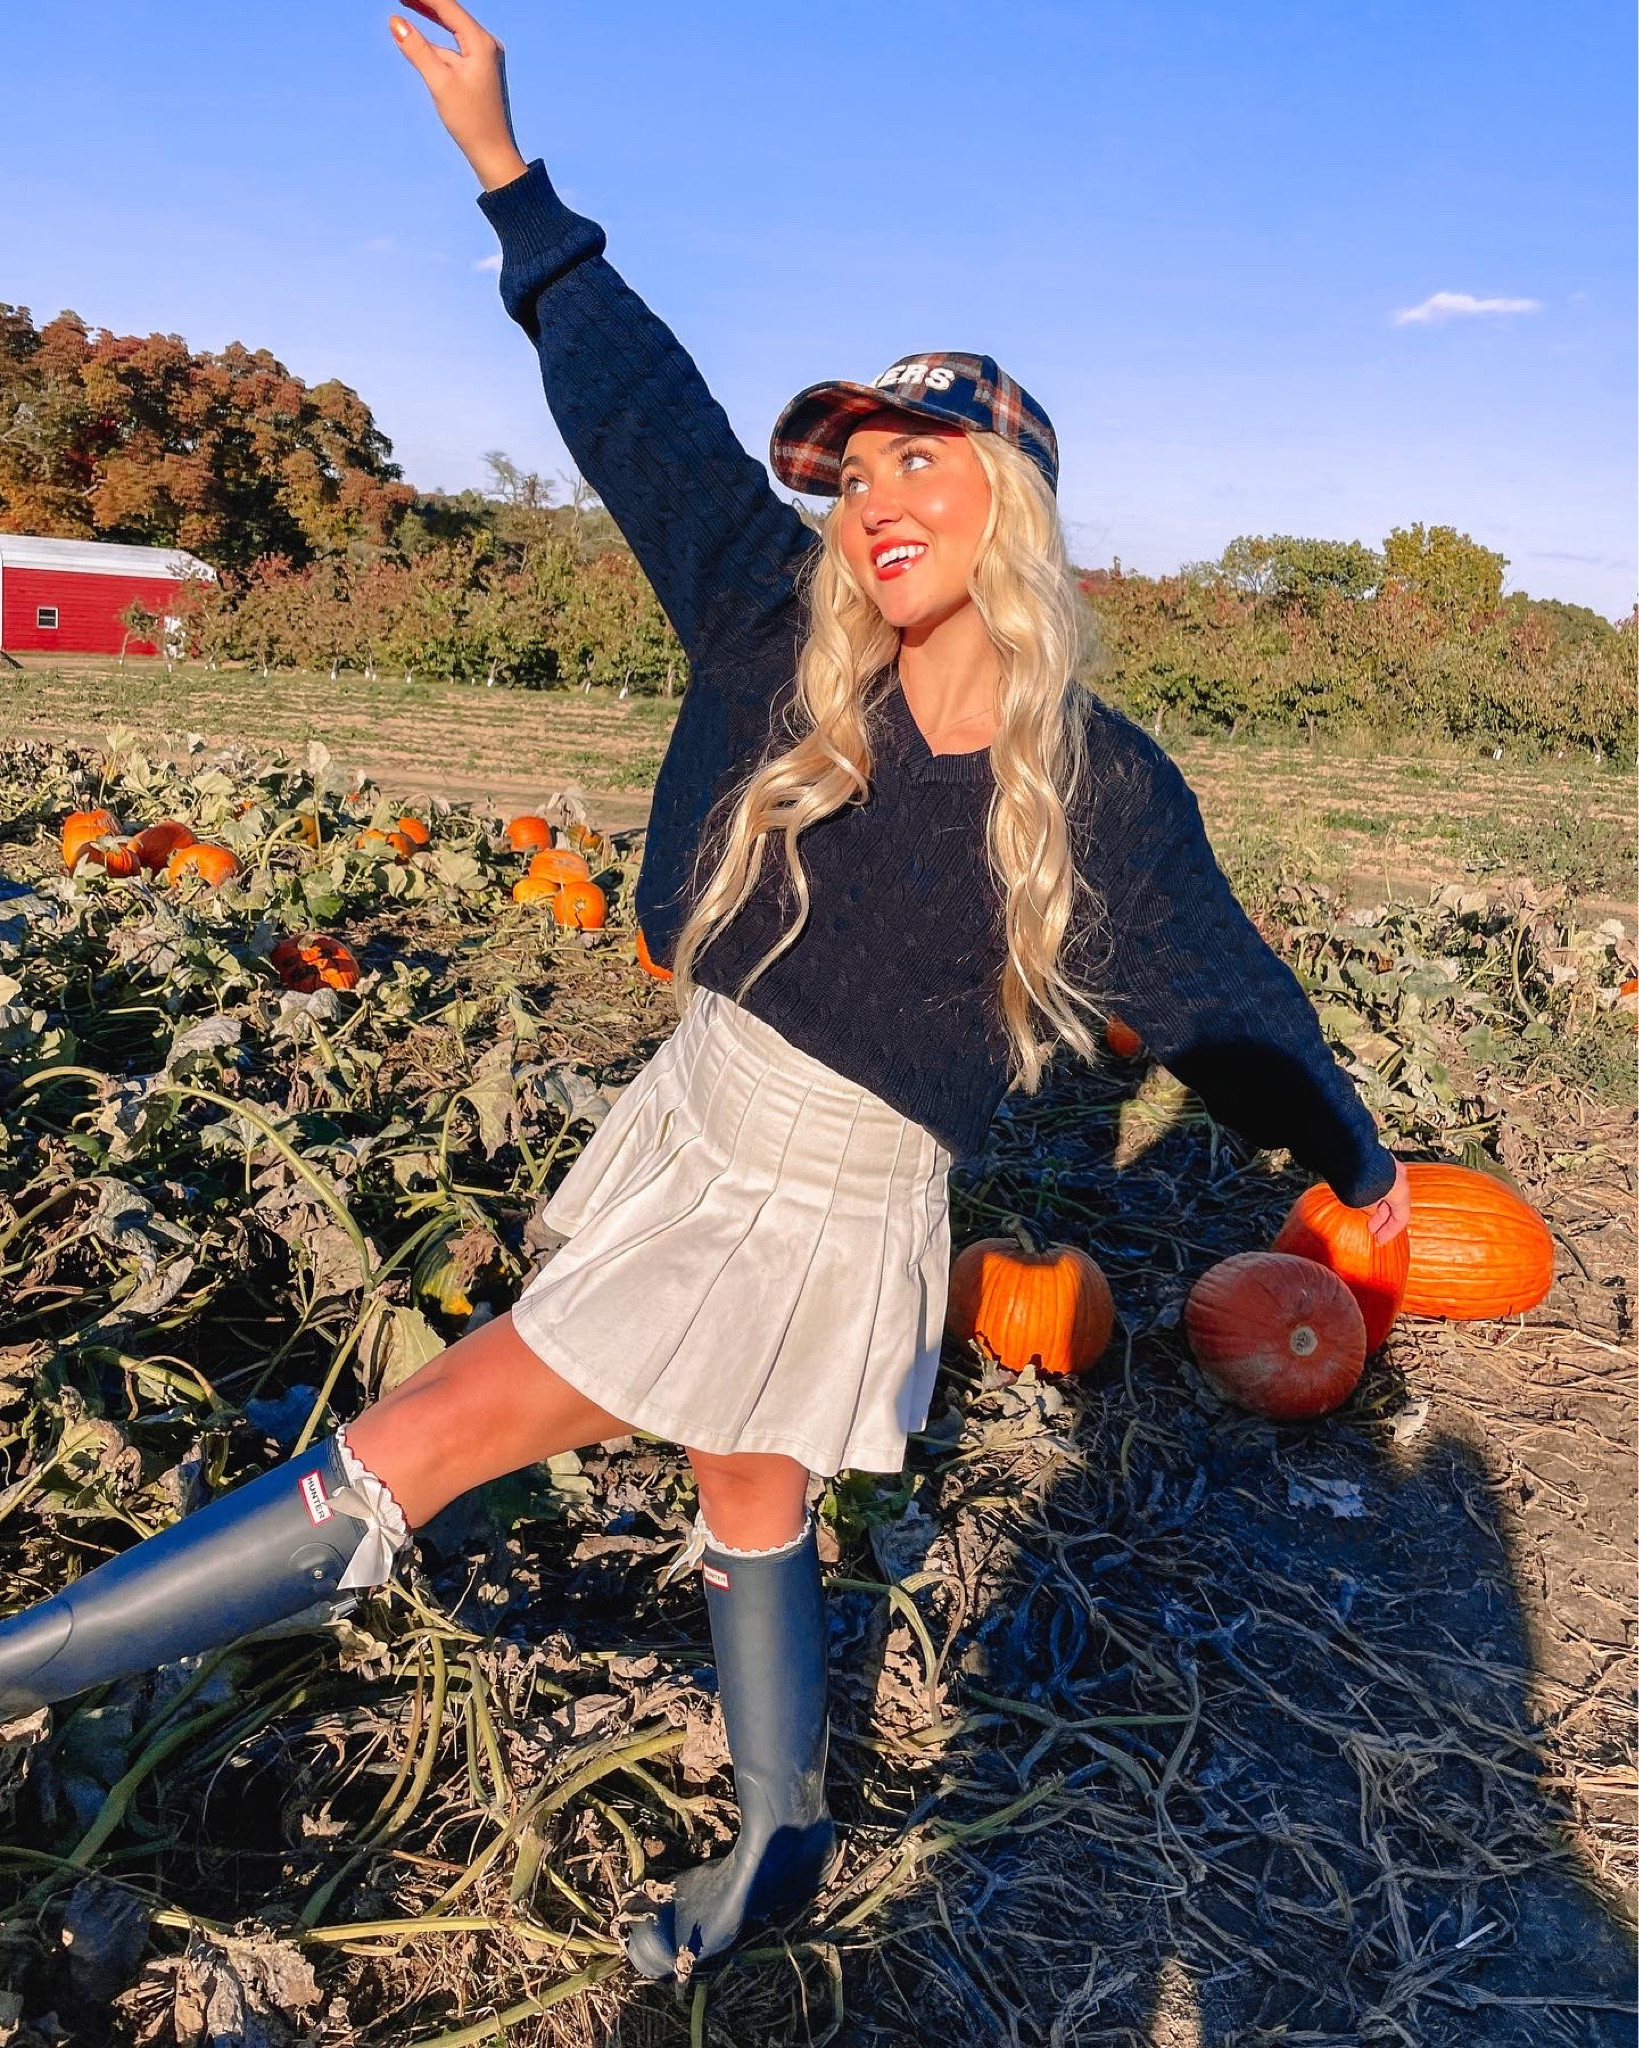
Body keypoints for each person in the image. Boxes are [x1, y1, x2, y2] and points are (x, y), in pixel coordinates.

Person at [0, 0, 1411, 1986]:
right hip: (700, 1115)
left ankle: (13, 1675)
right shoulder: (772, 624)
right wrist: (511, 179)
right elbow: (638, 409)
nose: (876, 498)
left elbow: (1212, 985)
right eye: (856, 470)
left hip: (820, 1198)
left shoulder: (1094, 783)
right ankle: (778, 1833)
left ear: (1015, 502)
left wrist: (1345, 1146)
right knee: (748, 1483)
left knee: (428, 1438)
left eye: (927, 458)